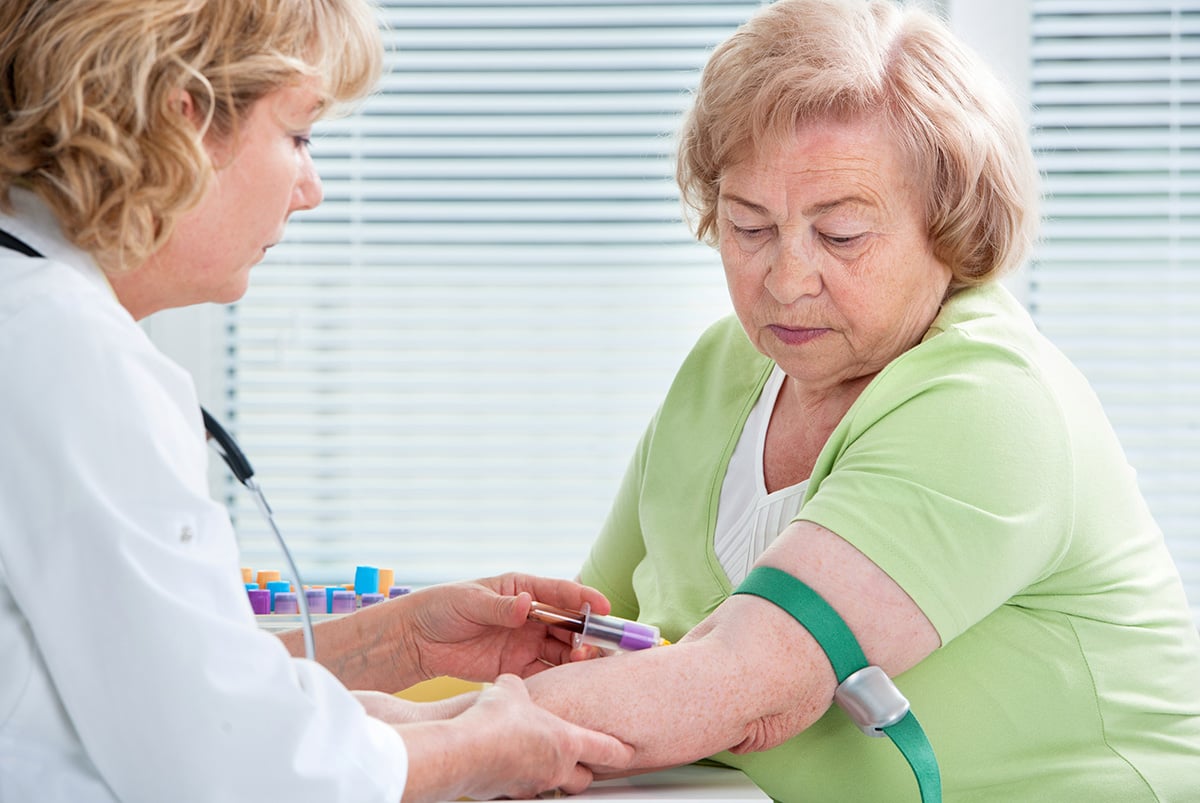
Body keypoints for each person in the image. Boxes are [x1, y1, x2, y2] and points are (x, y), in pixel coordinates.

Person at [523, 0, 1200, 800]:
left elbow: (743, 679)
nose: (785, 278)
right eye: (748, 226)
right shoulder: (720, 371)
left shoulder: (993, 403)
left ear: (952, 229)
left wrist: (388, 749)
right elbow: (586, 637)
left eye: (840, 234)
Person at [0, 2, 631, 802]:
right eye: (298, 135)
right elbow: (233, 770)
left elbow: (160, 683)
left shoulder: (35, 319)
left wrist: (403, 639)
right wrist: (482, 749)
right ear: (182, 118)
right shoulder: (66, 356)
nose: (313, 189)